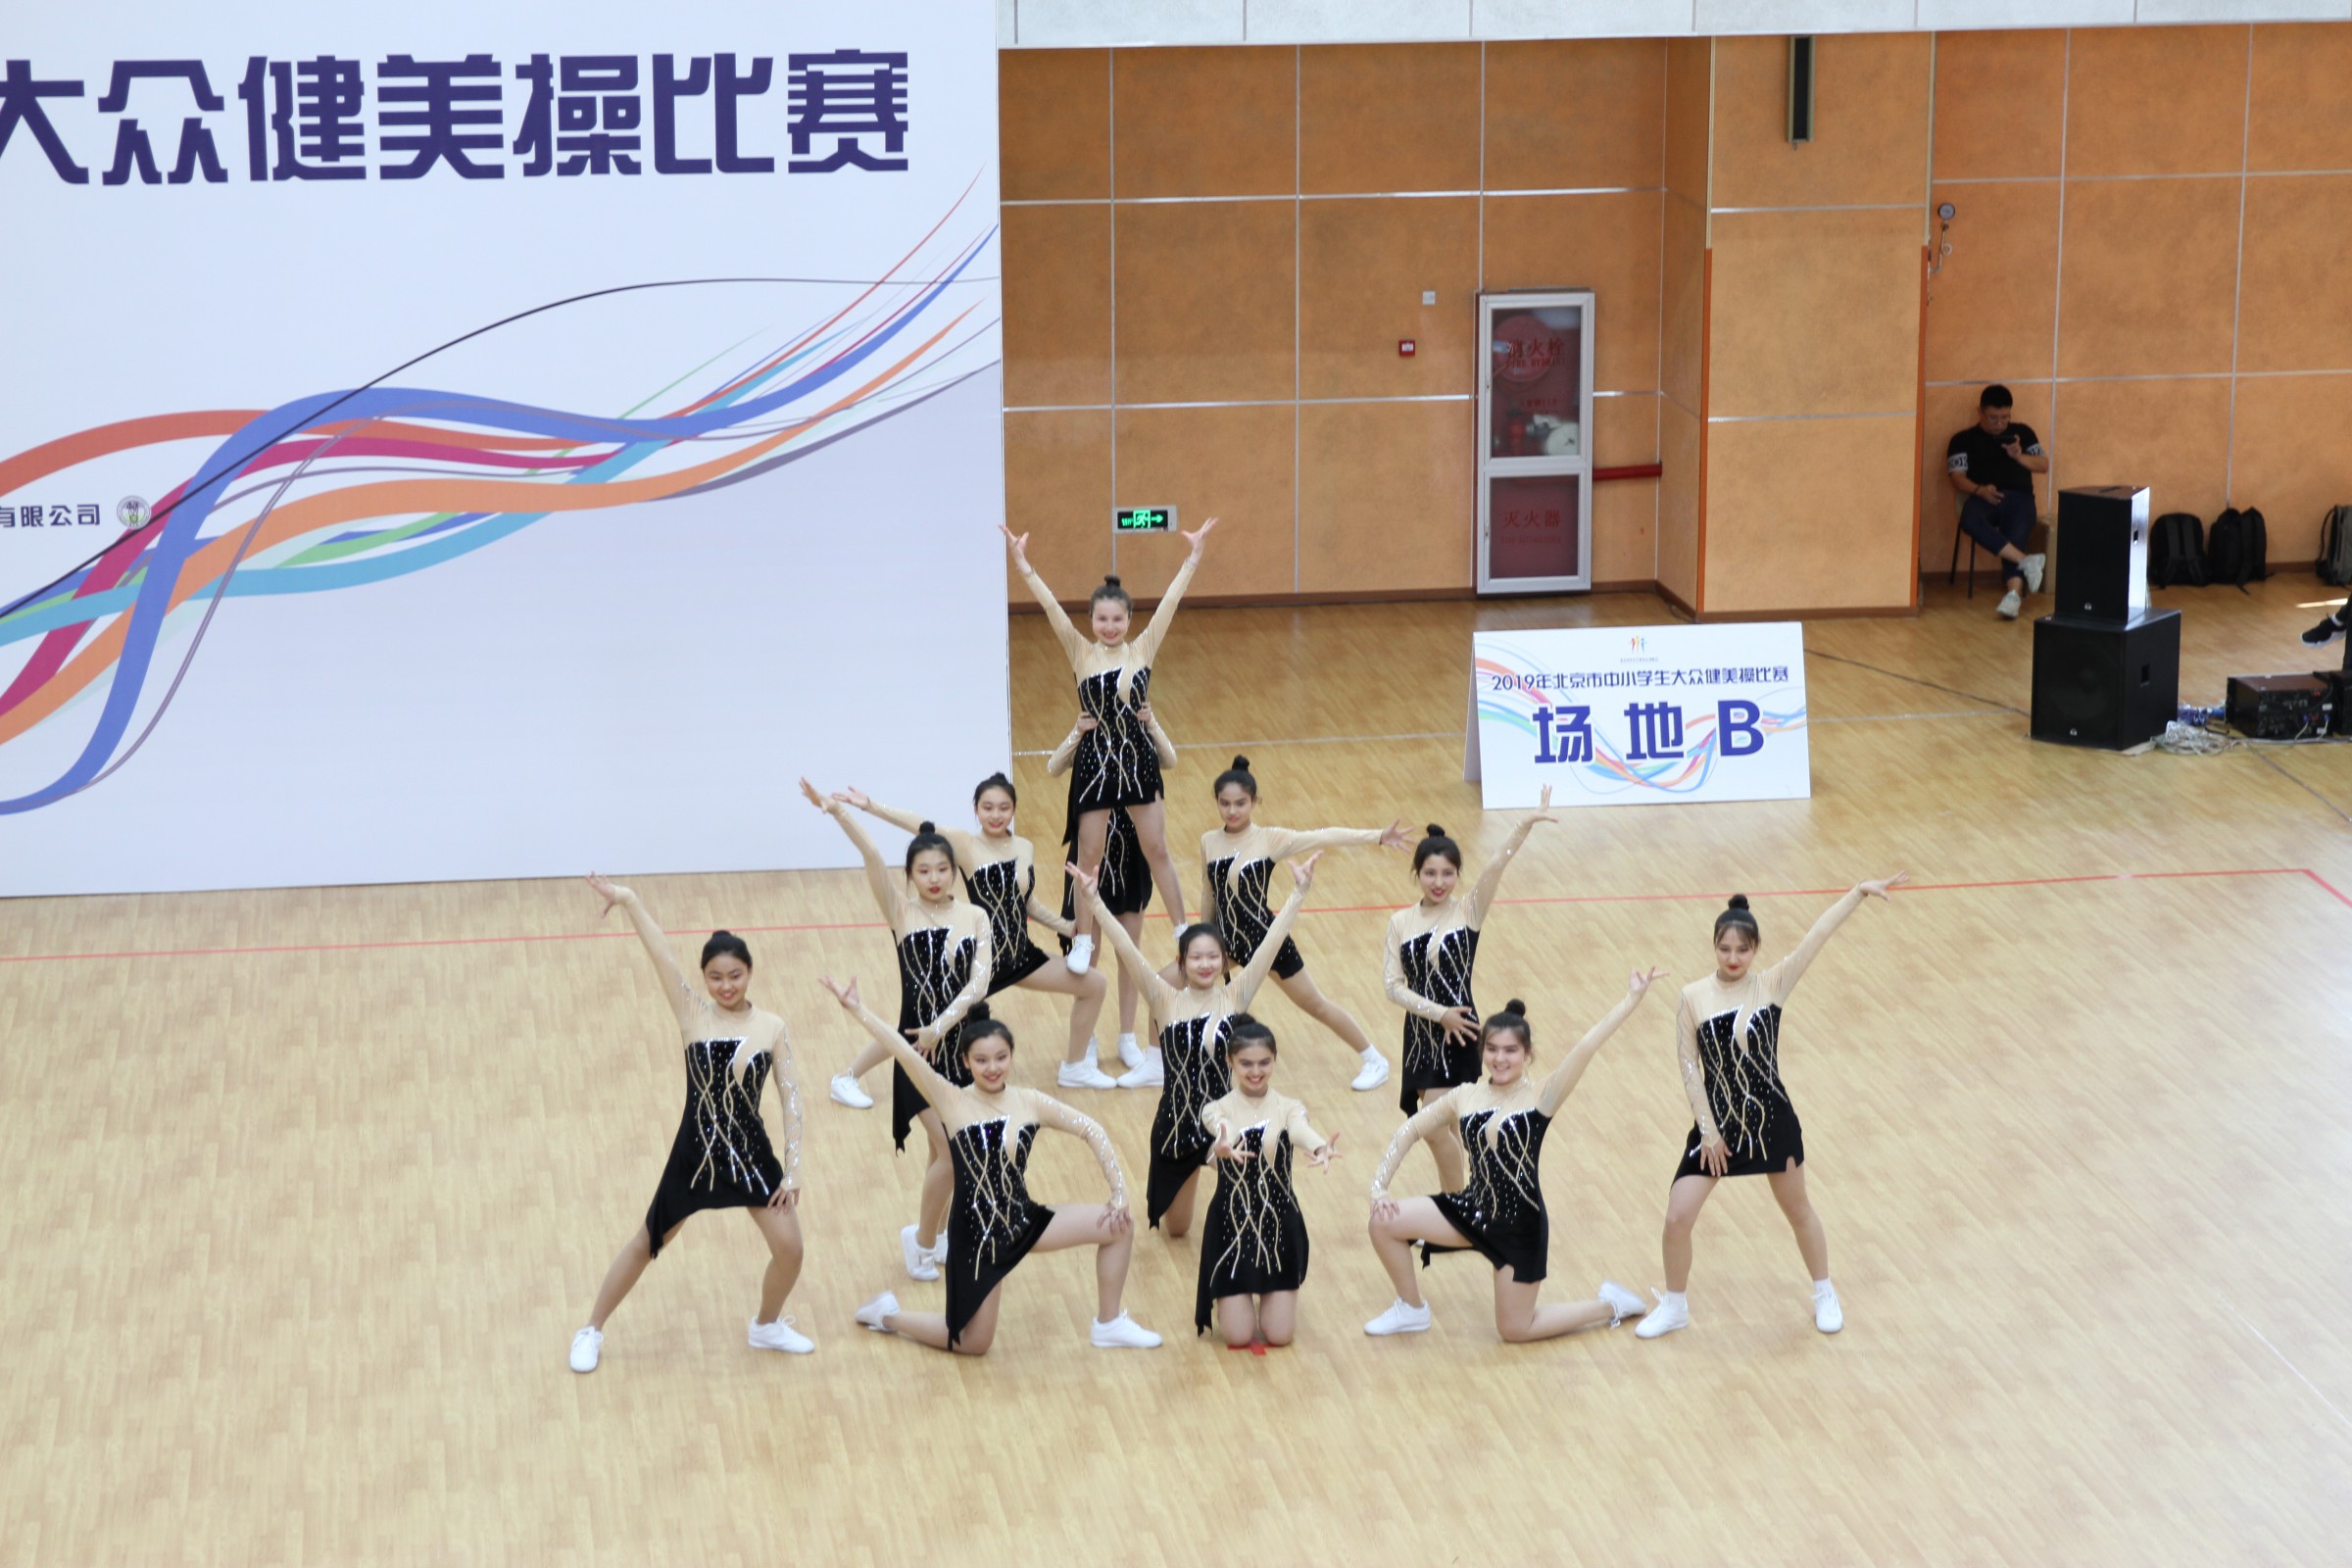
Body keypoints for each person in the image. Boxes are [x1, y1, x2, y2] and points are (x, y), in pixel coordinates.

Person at [1636, 875, 1908, 1342]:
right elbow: (1688, 1067)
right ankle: (1675, 1306)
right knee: (1677, 1217)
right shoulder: (1692, 996)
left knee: (1798, 1210)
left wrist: (1857, 893)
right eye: (1725, 949)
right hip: (1717, 1129)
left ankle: (1824, 1293)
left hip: (1771, 1123)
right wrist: (1708, 1132)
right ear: (1714, 946)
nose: (1733, 958)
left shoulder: (1772, 984)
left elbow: (1817, 936)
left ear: (1755, 950)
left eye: (1742, 950)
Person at [822, 982, 1161, 1353]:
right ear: (966, 1062)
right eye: (981, 1060)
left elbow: (1091, 1129)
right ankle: (888, 1316)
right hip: (977, 1238)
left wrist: (1118, 1192)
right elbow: (902, 1050)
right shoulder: (950, 1099)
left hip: (1022, 1221)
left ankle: (1109, 1324)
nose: (993, 1067)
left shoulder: (1030, 1101)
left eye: (1001, 1057)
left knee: (1119, 1226)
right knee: (973, 1343)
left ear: (1012, 1056)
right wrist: (857, 1009)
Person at [568, 877, 808, 1372]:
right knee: (647, 1242)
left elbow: (791, 1099)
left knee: (790, 1250)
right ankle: (591, 1329)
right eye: (716, 977)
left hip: (750, 1155)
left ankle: (766, 1325)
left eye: (735, 975)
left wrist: (793, 1169)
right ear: (704, 978)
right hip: (694, 1155)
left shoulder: (772, 1027)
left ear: (750, 972)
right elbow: (661, 954)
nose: (726, 985)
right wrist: (630, 900)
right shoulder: (692, 1015)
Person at [1363, 984, 1658, 1343]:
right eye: (1492, 1049)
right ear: (1482, 1050)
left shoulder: (1542, 1096)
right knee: (1382, 1222)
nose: (1500, 1059)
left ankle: (1610, 1305)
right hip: (1471, 1211)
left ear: (1527, 1054)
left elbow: (1586, 1047)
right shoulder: (1465, 1095)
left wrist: (1630, 1000)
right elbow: (1409, 1130)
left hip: (1519, 1226)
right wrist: (1379, 1187)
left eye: (1511, 1051)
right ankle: (1411, 1309)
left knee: (1515, 1330)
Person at [1003, 516, 1216, 973]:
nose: (1110, 626)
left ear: (1129, 620)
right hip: (1095, 764)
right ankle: (1083, 939)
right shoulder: (1080, 651)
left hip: (1137, 761)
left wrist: (1193, 557)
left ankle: (1182, 928)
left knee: (1157, 848)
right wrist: (1022, 565)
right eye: (1102, 618)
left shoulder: (1143, 649)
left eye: (1118, 619)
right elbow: (1050, 607)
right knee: (1088, 858)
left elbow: (1171, 602)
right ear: (1092, 620)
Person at [1070, 851, 1322, 1235]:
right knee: (1177, 1230)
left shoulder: (1235, 996)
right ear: (1182, 961)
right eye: (1196, 958)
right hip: (1175, 1124)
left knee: (1254, 1185)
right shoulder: (1162, 998)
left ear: (1223, 961)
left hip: (1224, 1122)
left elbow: (1270, 943)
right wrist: (1094, 901)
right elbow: (1126, 948)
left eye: (1213, 958)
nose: (1205, 965)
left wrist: (1298, 893)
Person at [802, 780, 992, 1286]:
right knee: (953, 1152)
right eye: (923, 871)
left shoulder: (975, 916)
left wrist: (940, 1028)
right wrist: (837, 812)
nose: (934, 878)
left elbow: (979, 984)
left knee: (940, 1155)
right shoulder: (901, 912)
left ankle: (939, 1233)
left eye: (942, 869)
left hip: (961, 1051)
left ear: (954, 871)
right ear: (909, 876)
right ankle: (923, 1241)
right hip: (915, 1057)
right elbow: (870, 853)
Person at [828, 774, 1113, 1092]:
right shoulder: (965, 843)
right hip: (981, 962)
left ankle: (1074, 1067)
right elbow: (920, 825)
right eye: (987, 807)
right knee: (918, 1024)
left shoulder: (1025, 847)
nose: (996, 814)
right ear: (976, 809)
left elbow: (1025, 901)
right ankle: (847, 1077)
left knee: (1095, 984)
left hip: (1021, 957)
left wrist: (1065, 926)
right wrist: (870, 806)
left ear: (1014, 809)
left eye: (1003, 807)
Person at [1200, 756, 1408, 1092]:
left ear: (1254, 802)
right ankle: (1162, 1060)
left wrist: (1378, 836)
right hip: (1228, 943)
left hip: (1267, 941)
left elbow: (1325, 836)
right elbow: (1209, 893)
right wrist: (1201, 940)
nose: (1232, 810)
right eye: (1225, 803)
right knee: (1177, 983)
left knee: (1315, 1004)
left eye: (1240, 803)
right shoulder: (1209, 841)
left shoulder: (1269, 839)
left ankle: (1374, 1059)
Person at [1382, 790, 1556, 1190]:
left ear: (1458, 874)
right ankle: (1487, 1189)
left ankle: (1460, 1199)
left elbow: (1497, 864)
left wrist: (1523, 825)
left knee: (1436, 1125)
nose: (1439, 882)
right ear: (1417, 874)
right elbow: (1392, 987)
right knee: (1457, 1126)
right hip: (1421, 1036)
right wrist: (1437, 1013)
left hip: (1459, 1033)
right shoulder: (1400, 922)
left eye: (1447, 874)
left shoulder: (1468, 911)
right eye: (1430, 873)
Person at [1047, 705, 1179, 1084]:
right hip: (1090, 862)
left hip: (1131, 860)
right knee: (1087, 954)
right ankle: (1086, 1040)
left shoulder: (1138, 732)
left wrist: (1152, 723)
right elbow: (1054, 767)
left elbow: (1170, 760)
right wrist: (1076, 731)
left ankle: (1126, 1037)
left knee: (1129, 951)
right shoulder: (1090, 736)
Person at [1195, 1016, 1338, 1348]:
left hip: (1280, 1226)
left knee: (1279, 1336)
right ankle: (1234, 1299)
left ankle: (1270, 1297)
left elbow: (1299, 1129)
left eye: (1264, 1062)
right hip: (1231, 1225)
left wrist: (1320, 1146)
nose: (1255, 1071)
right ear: (1230, 1061)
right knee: (1238, 1337)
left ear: (1274, 1060)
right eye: (1246, 1063)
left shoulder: (1289, 1107)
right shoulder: (1216, 1109)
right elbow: (1224, 1129)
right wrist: (1223, 1145)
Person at [1946, 384, 2050, 621]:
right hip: (1984, 496)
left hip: (2020, 498)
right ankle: (2026, 561)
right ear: (1980, 412)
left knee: (2016, 533)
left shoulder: (2023, 433)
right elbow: (1956, 477)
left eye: (2005, 417)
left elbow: (2043, 465)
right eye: (1993, 417)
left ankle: (2013, 596)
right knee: (1969, 519)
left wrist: (2019, 456)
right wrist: (1979, 490)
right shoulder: (1962, 440)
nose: (1999, 423)